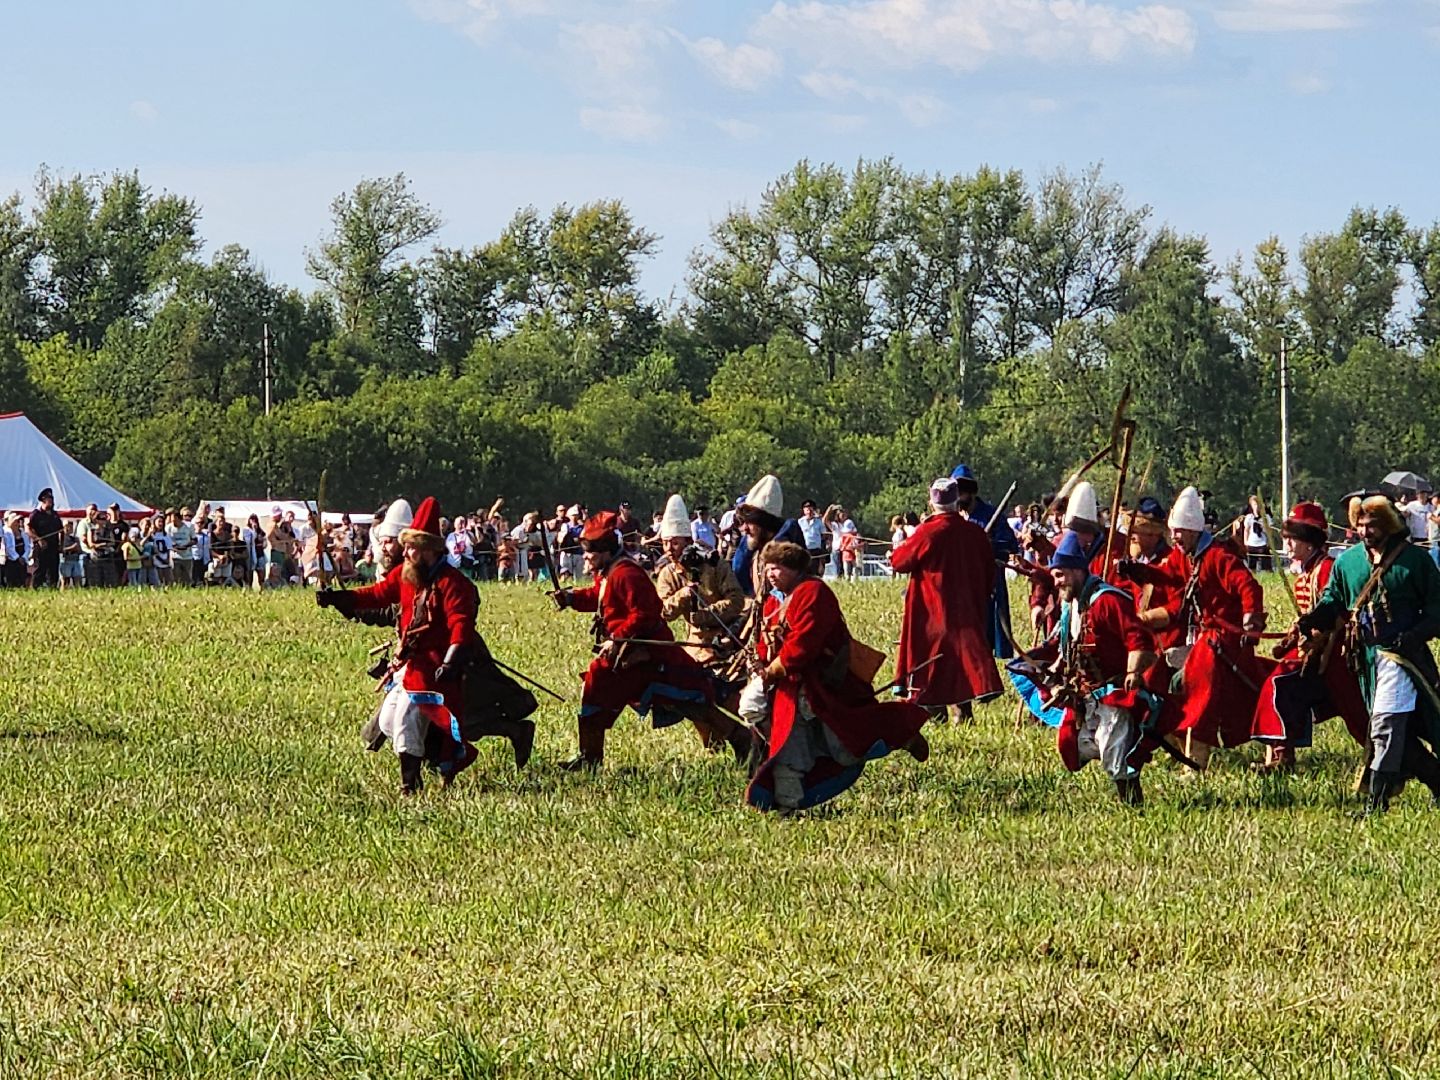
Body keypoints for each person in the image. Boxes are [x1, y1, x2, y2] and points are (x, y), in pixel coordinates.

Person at [317, 496, 535, 793]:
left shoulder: (453, 584)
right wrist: (341, 599)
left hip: (439, 669)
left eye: (411, 547)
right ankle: (428, 767)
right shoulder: (407, 574)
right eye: (404, 545)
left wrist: (450, 662)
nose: (405, 552)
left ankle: (410, 786)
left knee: (413, 720)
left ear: (429, 550)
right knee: (389, 720)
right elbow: (378, 594)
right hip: (412, 667)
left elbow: (461, 625)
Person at [553, 510, 751, 769]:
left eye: (590, 552)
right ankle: (589, 758)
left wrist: (619, 638)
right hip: (626, 658)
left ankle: (742, 740)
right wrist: (571, 598)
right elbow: (601, 597)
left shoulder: (627, 574)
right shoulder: (608, 571)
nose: (586, 558)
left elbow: (646, 614)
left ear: (603, 551)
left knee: (693, 702)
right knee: (594, 691)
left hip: (651, 655)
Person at [744, 541, 930, 813]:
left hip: (827, 688)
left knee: (847, 744)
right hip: (789, 690)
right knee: (788, 748)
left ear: (794, 569)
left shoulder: (813, 593)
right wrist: (760, 664)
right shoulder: (773, 600)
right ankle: (787, 806)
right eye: (767, 568)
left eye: (777, 568)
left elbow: (804, 645)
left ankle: (901, 733)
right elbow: (766, 640)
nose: (770, 574)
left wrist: (772, 670)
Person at [1298, 494, 1440, 812]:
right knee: (1394, 731)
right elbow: (1334, 600)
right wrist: (1314, 619)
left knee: (1386, 726)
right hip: (1364, 662)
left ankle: (1376, 803)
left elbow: (1437, 609)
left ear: (1388, 524)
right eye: (1360, 525)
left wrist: (1414, 635)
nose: (1365, 531)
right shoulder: (1348, 562)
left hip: (1402, 659)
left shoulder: (1415, 562)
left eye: (1372, 525)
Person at [1124, 486, 1269, 771]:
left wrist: (1251, 618)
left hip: (1224, 638)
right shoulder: (1185, 556)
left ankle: (1196, 761)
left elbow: (1247, 585)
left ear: (1192, 530)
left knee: (1198, 690)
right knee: (1159, 674)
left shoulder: (1217, 557)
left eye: (1179, 532)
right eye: (1173, 531)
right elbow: (1168, 576)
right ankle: (1166, 740)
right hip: (1205, 637)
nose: (1174, 538)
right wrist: (1138, 571)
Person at [1035, 531, 1159, 805]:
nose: (1057, 583)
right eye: (1055, 577)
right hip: (1084, 694)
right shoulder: (1070, 607)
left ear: (1077, 571)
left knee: (1115, 753)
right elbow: (1067, 645)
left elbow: (1138, 638)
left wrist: (1133, 672)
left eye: (1060, 576)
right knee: (1071, 744)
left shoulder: (1107, 601)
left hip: (1113, 691)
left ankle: (1133, 806)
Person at [1251, 502, 1368, 773]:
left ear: (1308, 542)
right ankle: (1282, 754)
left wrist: (1314, 636)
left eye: (1292, 539)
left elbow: (1338, 611)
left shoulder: (1327, 569)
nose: (1288, 545)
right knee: (1280, 684)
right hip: (1313, 654)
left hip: (1335, 655)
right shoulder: (1305, 574)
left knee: (1357, 715)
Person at [890, 477, 1004, 719]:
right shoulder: (975, 532)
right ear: (956, 502)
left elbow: (899, 562)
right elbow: (989, 572)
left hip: (932, 608)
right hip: (967, 608)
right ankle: (960, 710)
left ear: (932, 504)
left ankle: (935, 710)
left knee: (931, 658)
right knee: (959, 658)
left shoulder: (927, 532)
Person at [654, 493, 747, 673]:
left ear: (688, 542)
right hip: (695, 642)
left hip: (727, 636)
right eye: (665, 543)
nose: (668, 549)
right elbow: (663, 612)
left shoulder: (714, 565)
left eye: (674, 543)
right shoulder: (668, 574)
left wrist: (706, 614)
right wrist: (683, 595)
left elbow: (737, 601)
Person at [951, 464, 1021, 663]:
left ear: (970, 492)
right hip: (964, 584)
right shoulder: (955, 517)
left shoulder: (991, 514)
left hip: (988, 582)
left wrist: (988, 544)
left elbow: (1010, 545)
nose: (958, 497)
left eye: (961, 492)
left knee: (987, 631)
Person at [27, 488, 62, 588]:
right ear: (43, 500)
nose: (50, 502)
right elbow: (29, 528)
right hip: (41, 547)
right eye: (48, 499)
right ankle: (35, 588)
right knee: (40, 570)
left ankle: (53, 588)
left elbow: (60, 530)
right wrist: (38, 539)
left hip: (54, 547)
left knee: (53, 570)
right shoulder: (36, 514)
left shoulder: (55, 515)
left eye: (51, 499)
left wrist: (61, 544)